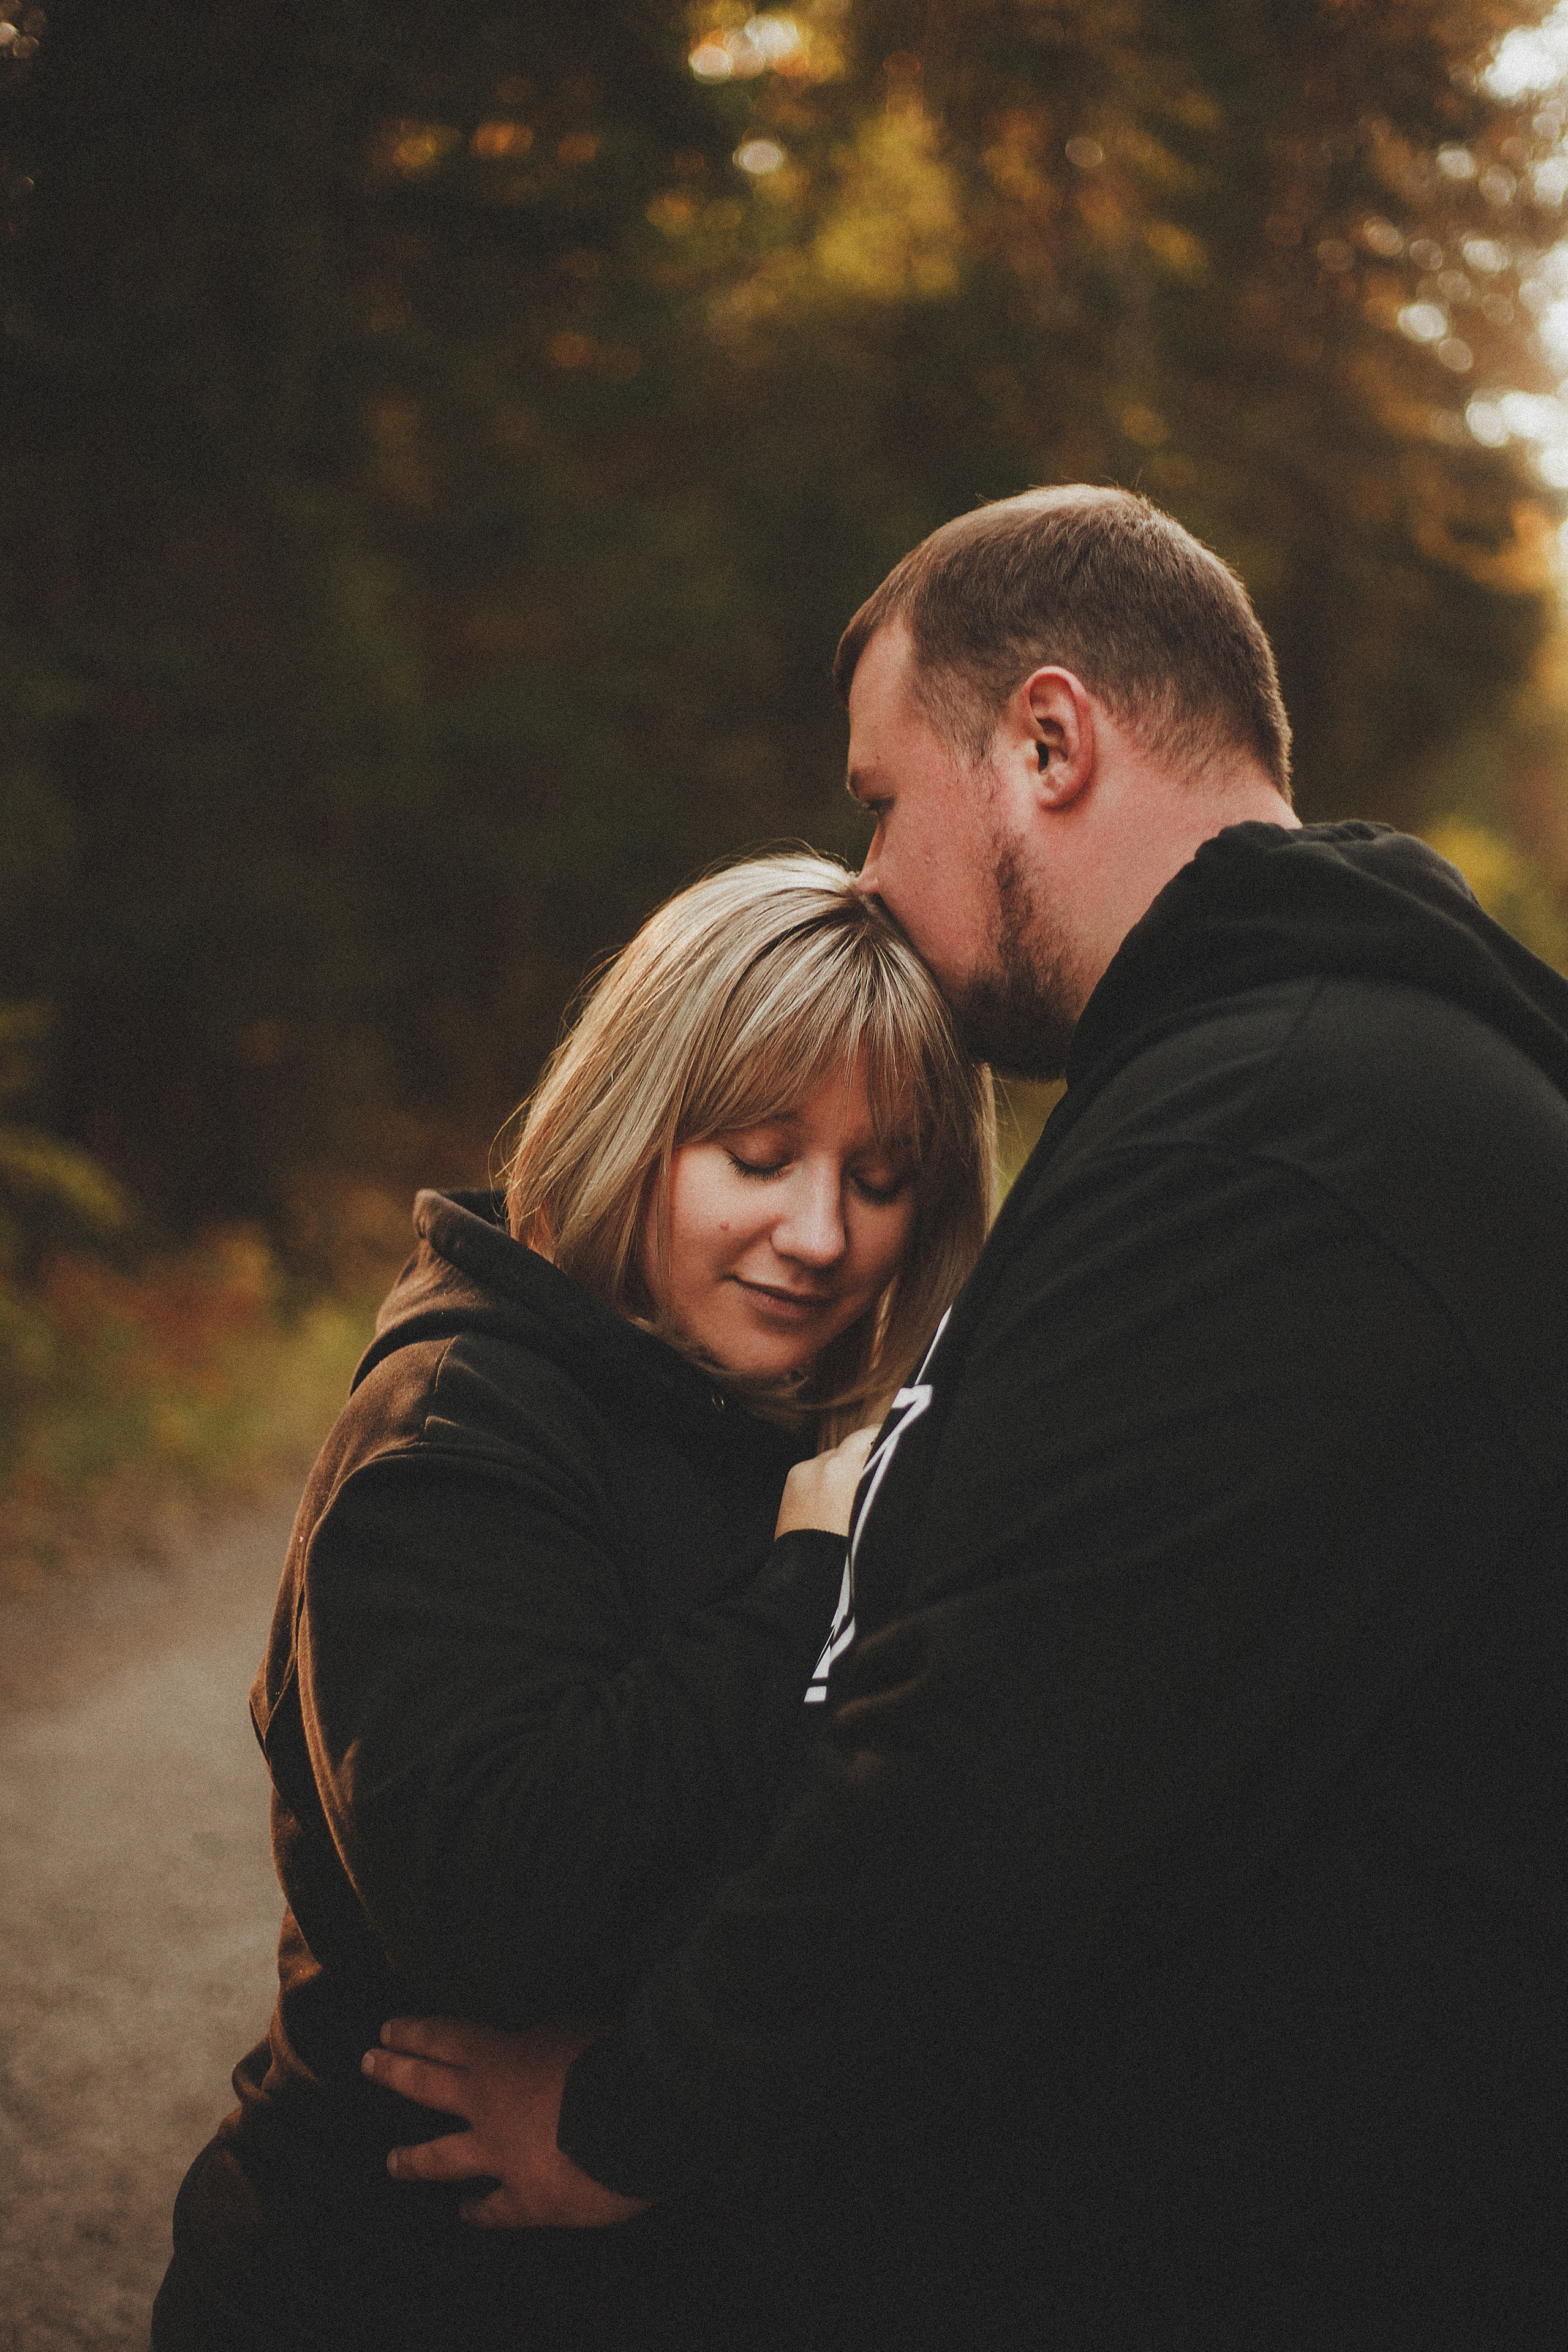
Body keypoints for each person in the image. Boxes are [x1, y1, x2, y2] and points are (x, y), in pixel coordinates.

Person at [371, 488, 1568, 2350]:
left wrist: (631, 2116)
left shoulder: (1268, 1135)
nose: (864, 874)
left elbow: (1015, 1763)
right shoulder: (1282, 1077)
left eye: (877, 795)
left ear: (1045, 739)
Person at [149, 852, 995, 2352]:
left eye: (877, 1182)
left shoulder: (804, 1432)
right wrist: (793, 1586)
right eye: (757, 1155)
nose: (819, 1236)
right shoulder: (458, 1426)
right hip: (382, 2284)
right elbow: (493, 1897)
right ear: (636, 1134)